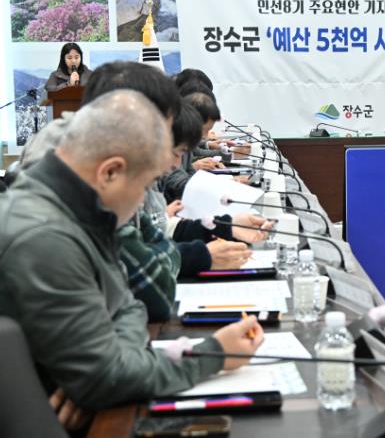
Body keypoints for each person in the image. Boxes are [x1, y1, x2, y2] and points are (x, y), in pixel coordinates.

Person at [0, 90, 264, 416]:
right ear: (110, 172)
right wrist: (214, 354)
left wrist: (109, 362)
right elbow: (106, 377)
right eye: (144, 185)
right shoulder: (45, 237)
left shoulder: (78, 205)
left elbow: (130, 307)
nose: (143, 203)